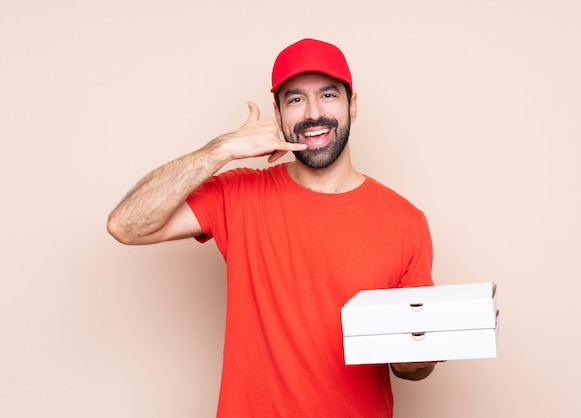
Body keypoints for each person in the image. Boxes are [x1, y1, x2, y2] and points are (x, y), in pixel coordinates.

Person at [108, 38, 438, 417]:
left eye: (328, 95)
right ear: (278, 116)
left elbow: (413, 366)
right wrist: (222, 149)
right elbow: (126, 225)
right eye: (295, 99)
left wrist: (417, 360)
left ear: (353, 105)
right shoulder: (238, 194)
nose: (314, 113)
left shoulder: (405, 222)